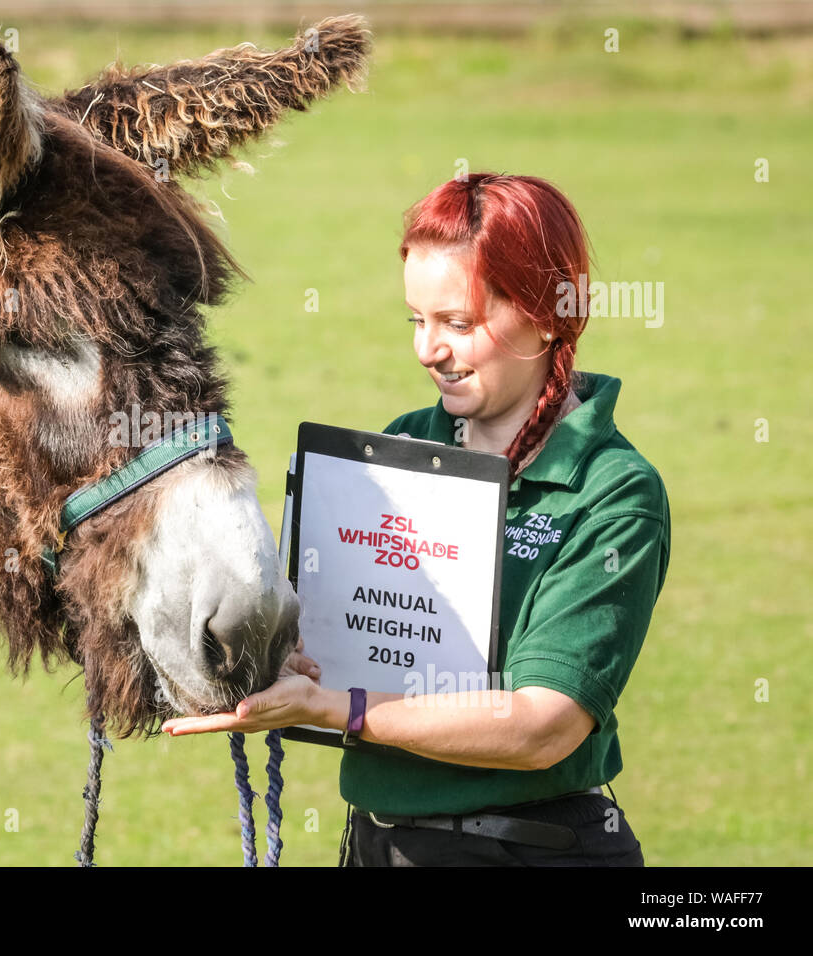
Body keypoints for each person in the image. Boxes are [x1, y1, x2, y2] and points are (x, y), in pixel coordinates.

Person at [162, 172, 671, 867]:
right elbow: (341, 635)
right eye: (417, 320)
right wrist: (274, 656)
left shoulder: (612, 490)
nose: (429, 350)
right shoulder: (401, 446)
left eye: (459, 324)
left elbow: (542, 726)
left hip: (526, 850)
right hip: (378, 844)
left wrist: (343, 710)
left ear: (549, 315)